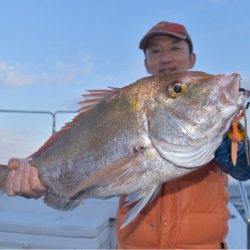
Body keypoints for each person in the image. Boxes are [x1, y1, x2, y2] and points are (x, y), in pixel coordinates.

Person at [6, 21, 250, 249]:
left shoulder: (220, 119)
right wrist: (35, 176)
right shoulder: (122, 106)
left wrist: (220, 134)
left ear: (192, 58)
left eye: (175, 48)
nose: (165, 57)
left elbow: (244, 170)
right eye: (155, 51)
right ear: (146, 63)